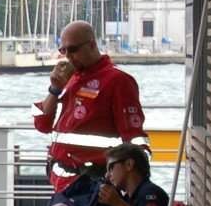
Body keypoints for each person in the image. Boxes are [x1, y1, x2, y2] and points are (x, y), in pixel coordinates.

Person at [32, 21, 149, 192]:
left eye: (72, 49)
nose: (68, 56)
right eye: (63, 50)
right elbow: (42, 124)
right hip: (62, 184)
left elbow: (135, 139)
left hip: (93, 186)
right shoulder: (71, 78)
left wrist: (137, 186)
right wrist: (55, 89)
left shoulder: (118, 81)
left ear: (92, 45)